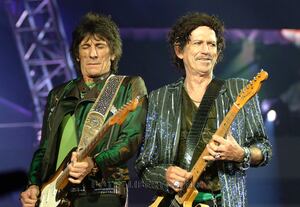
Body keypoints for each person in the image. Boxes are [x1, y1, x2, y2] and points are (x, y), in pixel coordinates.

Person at [136, 12, 272, 207]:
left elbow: (264, 150)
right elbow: (144, 166)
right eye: (198, 43)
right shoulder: (160, 98)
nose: (206, 50)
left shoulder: (239, 90)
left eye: (212, 44)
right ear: (180, 50)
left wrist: (241, 153)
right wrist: (165, 175)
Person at [20, 12, 147, 207]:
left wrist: (94, 163)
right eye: (86, 46)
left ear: (113, 53)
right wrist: (34, 184)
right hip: (53, 196)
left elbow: (131, 139)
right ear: (77, 55)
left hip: (101, 192)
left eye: (100, 46)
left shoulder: (127, 86)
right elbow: (44, 149)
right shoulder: (58, 94)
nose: (93, 54)